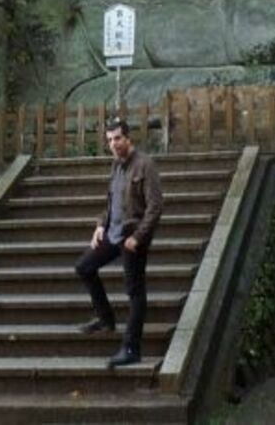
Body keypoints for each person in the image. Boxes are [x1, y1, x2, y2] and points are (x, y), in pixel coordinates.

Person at [74, 117, 163, 368]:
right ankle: (105, 318)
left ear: (128, 138)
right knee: (84, 267)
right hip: (112, 233)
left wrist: (138, 237)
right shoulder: (116, 166)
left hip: (133, 236)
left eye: (117, 139)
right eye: (110, 140)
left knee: (135, 290)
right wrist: (100, 225)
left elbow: (155, 207)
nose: (113, 144)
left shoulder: (145, 165)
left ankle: (131, 348)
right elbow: (111, 203)